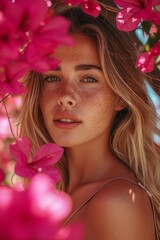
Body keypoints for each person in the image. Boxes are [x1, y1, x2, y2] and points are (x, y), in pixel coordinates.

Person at [18, 6, 160, 240]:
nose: (66, 96)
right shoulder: (54, 194)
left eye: (88, 78)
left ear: (119, 96)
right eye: (53, 77)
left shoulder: (117, 202)